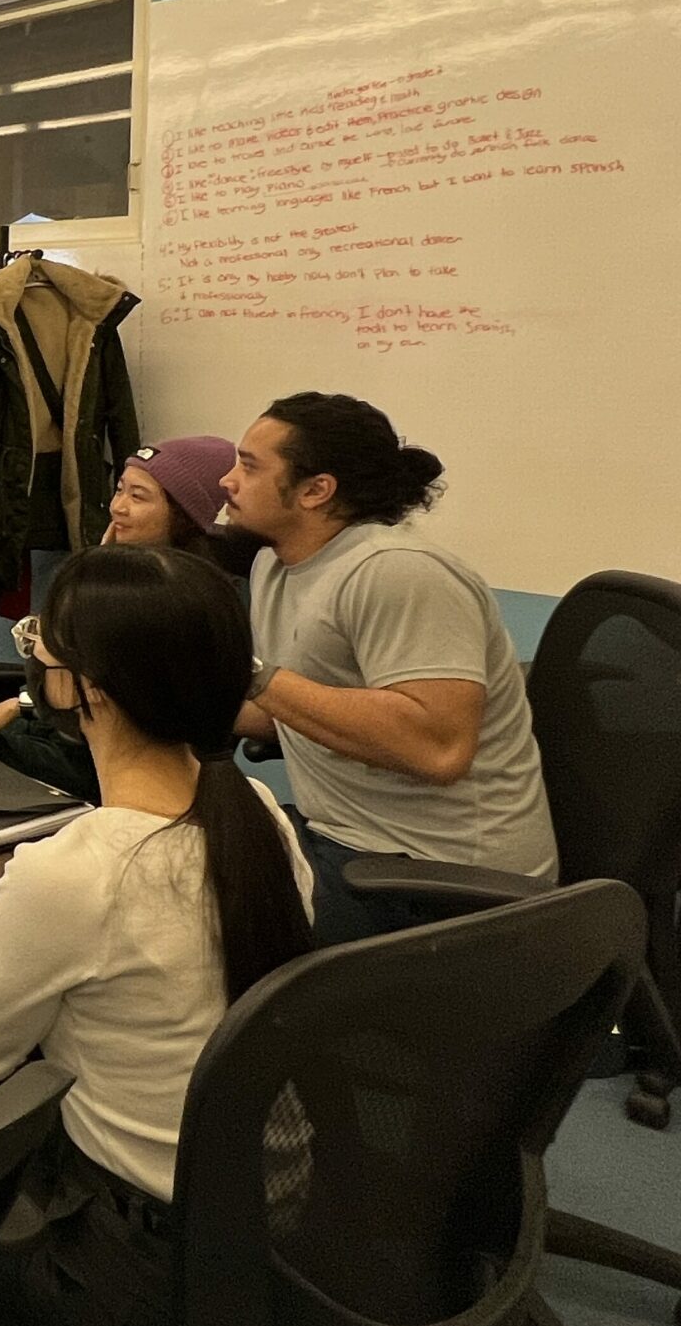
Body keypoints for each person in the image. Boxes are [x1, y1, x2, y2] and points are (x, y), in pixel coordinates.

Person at [0, 544, 314, 1326]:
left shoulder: (75, 870)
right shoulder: (260, 817)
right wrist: (34, 937)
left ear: (85, 686)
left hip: (130, 1260)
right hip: (273, 1220)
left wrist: (32, 936)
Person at [221, 392, 555, 943]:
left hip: (440, 878)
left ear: (315, 490)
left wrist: (250, 670)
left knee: (197, 935)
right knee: (165, 865)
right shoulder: (275, 566)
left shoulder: (397, 573)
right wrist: (151, 691)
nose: (227, 481)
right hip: (348, 842)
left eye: (249, 466)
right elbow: (287, 713)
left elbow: (438, 747)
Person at [0, 434, 247, 799]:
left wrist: (22, 703)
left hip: (106, 761)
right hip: (64, 731)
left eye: (138, 497)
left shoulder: (184, 602)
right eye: (119, 490)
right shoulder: (122, 574)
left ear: (185, 515)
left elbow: (118, 696)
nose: (118, 507)